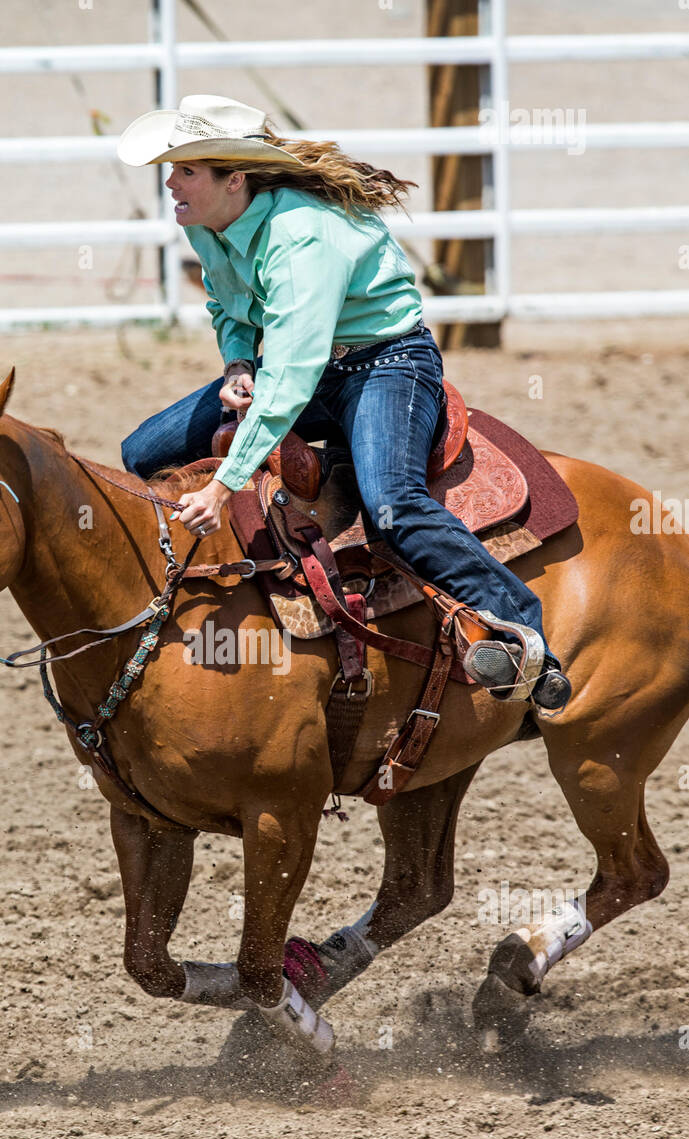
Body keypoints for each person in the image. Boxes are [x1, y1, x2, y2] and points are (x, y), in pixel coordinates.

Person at [116, 93, 571, 711]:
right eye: (172, 169)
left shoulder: (302, 236)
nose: (170, 183)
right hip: (298, 369)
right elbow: (228, 308)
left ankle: (522, 634)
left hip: (385, 366)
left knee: (394, 505)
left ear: (235, 179)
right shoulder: (212, 225)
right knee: (142, 452)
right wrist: (239, 361)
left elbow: (295, 375)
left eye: (186, 170)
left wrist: (225, 483)